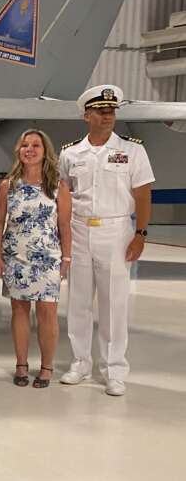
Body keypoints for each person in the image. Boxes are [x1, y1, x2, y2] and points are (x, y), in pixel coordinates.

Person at [58, 85, 154, 397]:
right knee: (79, 302)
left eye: (111, 110)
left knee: (114, 301)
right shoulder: (70, 153)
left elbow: (142, 194)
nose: (108, 115)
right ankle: (81, 362)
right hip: (81, 230)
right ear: (87, 115)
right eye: (101, 111)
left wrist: (140, 234)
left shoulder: (133, 150)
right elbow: (65, 195)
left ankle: (114, 369)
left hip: (115, 231)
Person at [0, 130, 72, 389]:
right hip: (16, 257)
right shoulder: (8, 185)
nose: (30, 149)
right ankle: (21, 365)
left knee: (48, 312)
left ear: (45, 151)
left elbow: (64, 226)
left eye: (35, 145)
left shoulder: (57, 185)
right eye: (25, 145)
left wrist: (67, 259)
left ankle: (47, 367)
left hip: (48, 258)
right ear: (18, 150)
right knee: (19, 310)